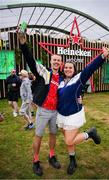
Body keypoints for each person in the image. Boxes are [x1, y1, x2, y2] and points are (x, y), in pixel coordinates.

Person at [56, 47, 109, 175]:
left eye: (70, 68)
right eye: (66, 67)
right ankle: (72, 160)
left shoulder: (79, 78)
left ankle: (89, 133)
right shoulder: (60, 81)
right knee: (68, 138)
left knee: (69, 140)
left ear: (74, 70)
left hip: (74, 114)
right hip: (61, 115)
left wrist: (102, 56)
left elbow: (90, 68)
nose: (68, 69)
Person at [17, 32, 63, 176]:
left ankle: (51, 155)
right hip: (43, 111)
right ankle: (36, 160)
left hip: (56, 112)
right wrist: (23, 45)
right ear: (50, 62)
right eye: (54, 60)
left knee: (53, 134)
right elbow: (31, 61)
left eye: (58, 60)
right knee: (38, 135)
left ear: (61, 63)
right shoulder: (45, 73)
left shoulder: (62, 78)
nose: (56, 62)